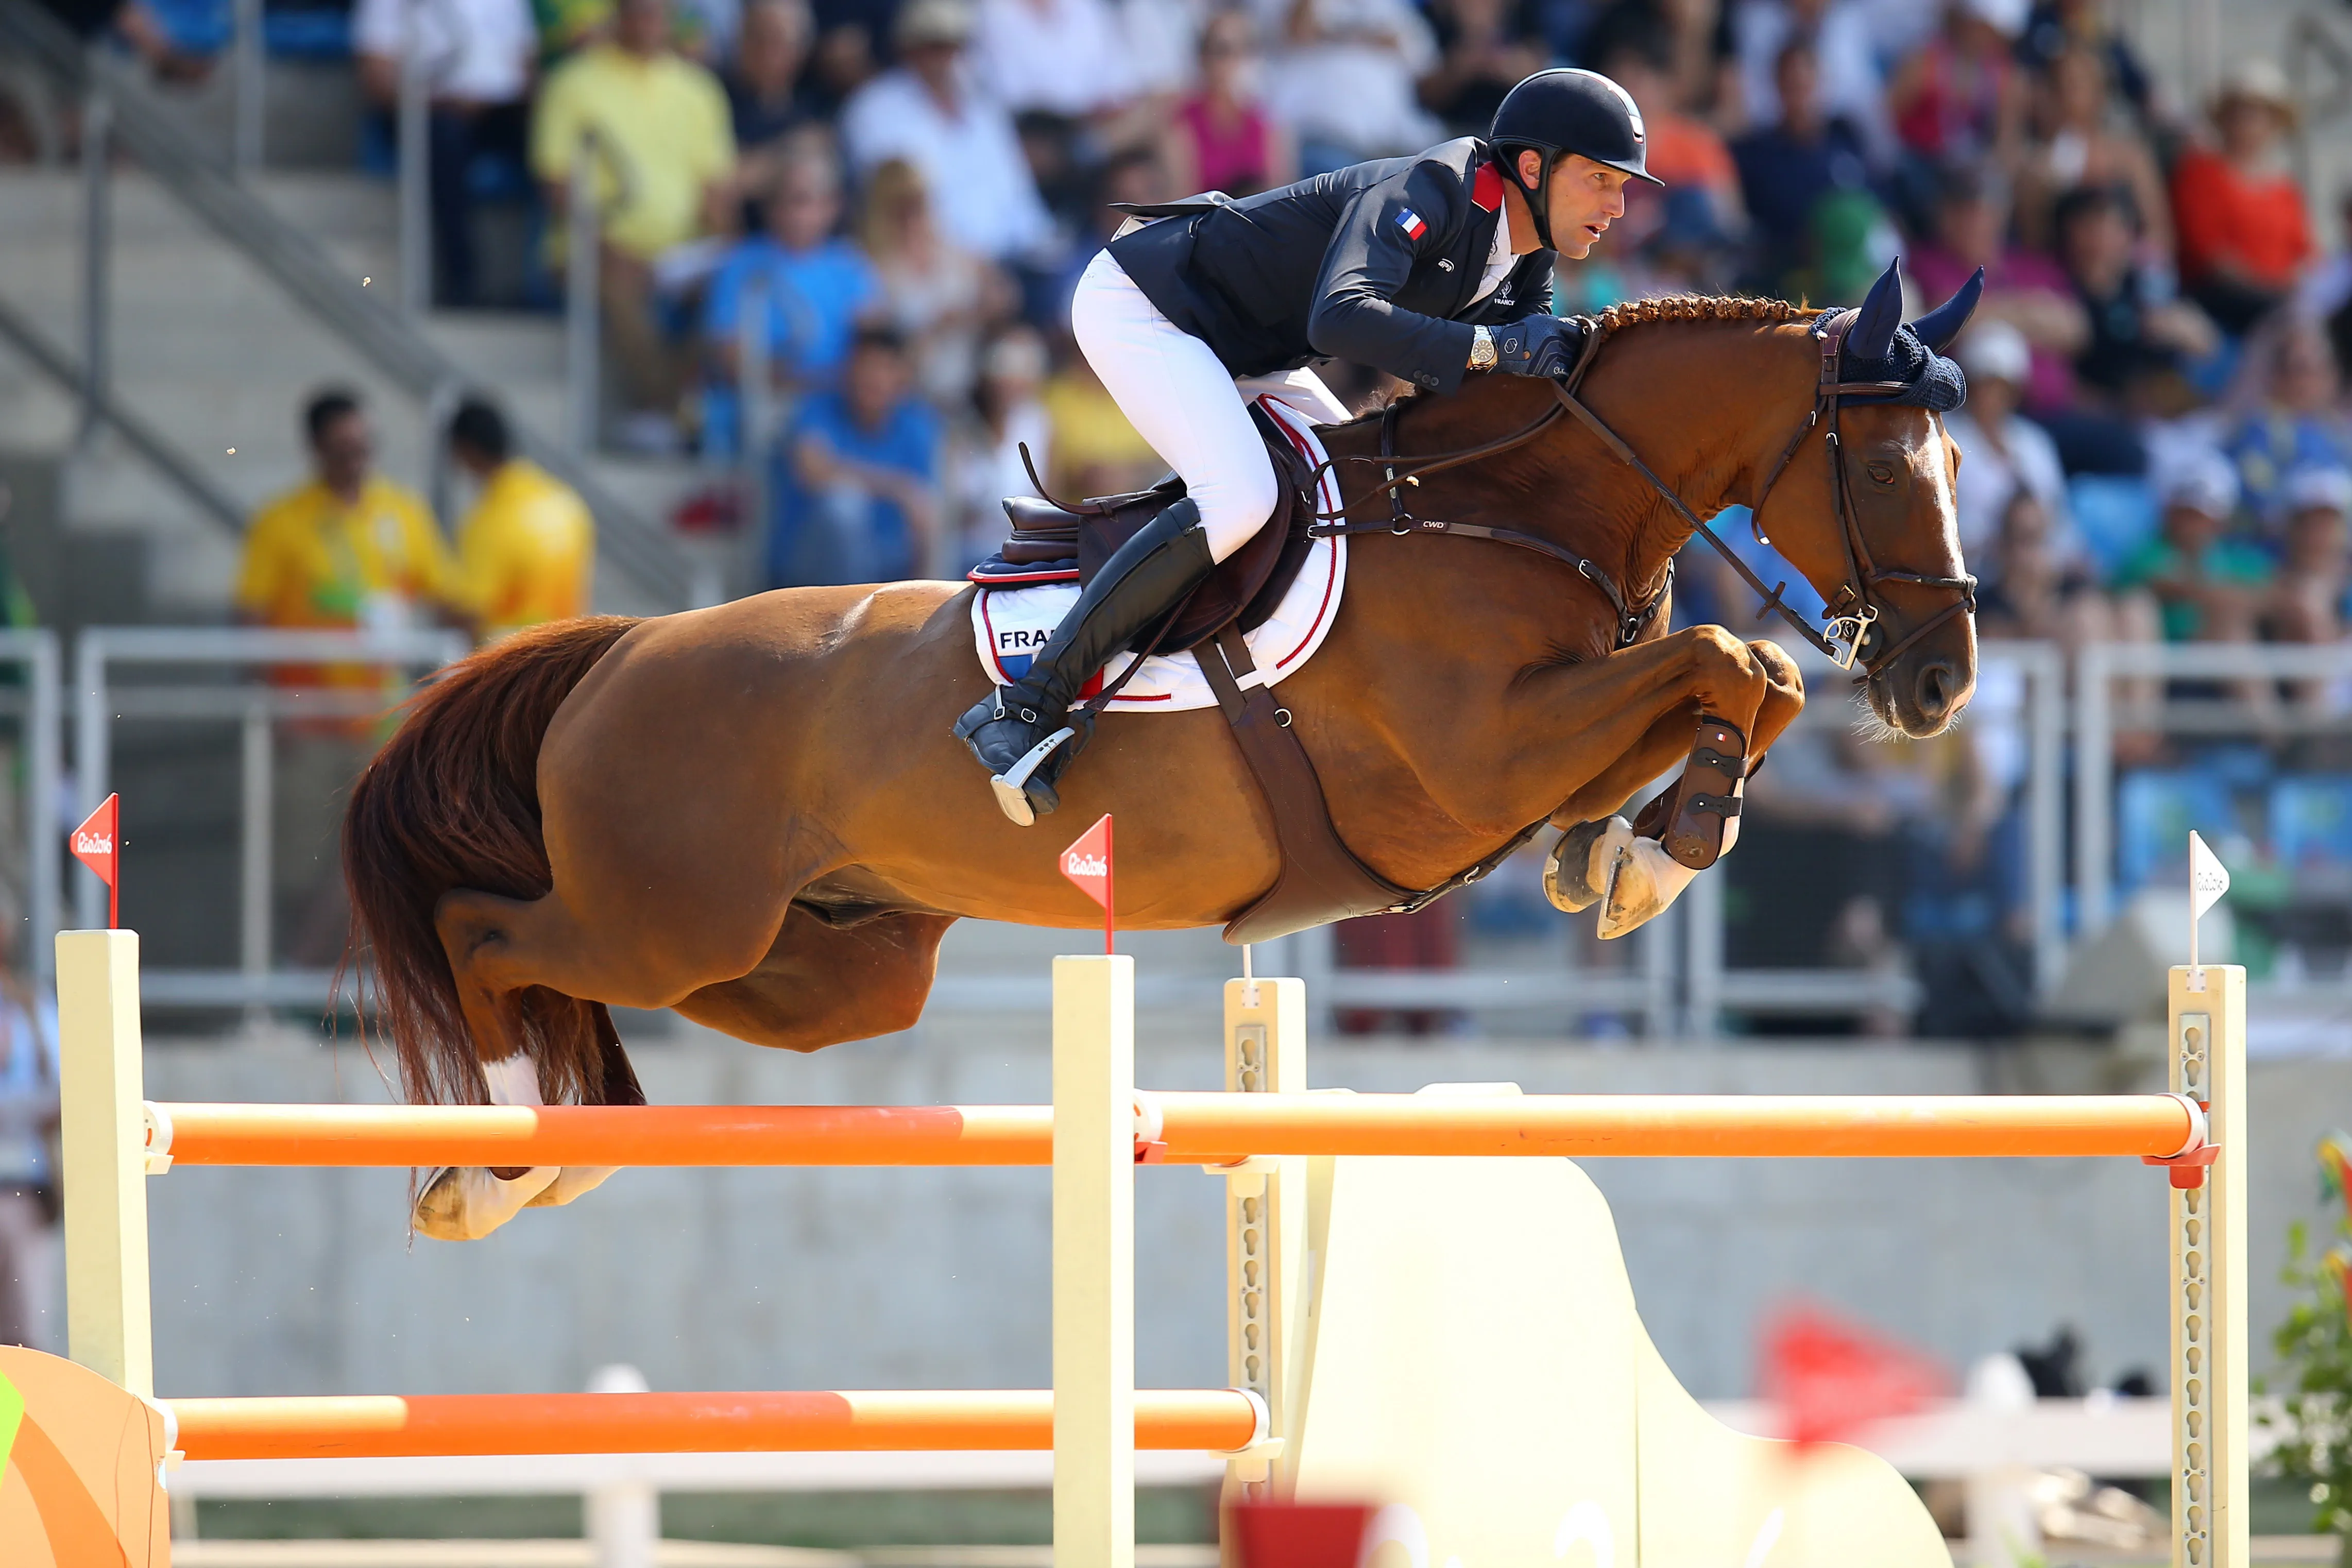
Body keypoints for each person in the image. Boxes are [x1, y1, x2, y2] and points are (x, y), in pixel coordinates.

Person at [951, 68, 1650, 823]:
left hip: (1252, 352)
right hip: (1151, 307)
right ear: (1533, 168)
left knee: (1357, 491)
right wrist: (1494, 348)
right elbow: (1341, 318)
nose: (1617, 207)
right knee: (1242, 498)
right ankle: (1025, 704)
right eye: (1601, 181)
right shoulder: (1435, 188)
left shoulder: (1527, 248)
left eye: (1621, 187)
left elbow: (1507, 375)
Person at [531, 0, 739, 439]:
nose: (649, 20)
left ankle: (676, 410)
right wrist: (610, 244)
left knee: (738, 281)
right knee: (618, 281)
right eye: (639, 10)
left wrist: (723, 248)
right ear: (618, 14)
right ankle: (675, 411)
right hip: (597, 246)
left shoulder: (699, 89)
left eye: (658, 11)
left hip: (681, 254)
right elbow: (556, 182)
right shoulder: (574, 80)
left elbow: (716, 191)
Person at [839, 0, 1056, 265]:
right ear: (907, 46)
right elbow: (895, 206)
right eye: (933, 45)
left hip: (1015, 258)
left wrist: (1046, 247)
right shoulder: (873, 110)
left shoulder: (982, 106)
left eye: (954, 44)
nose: (944, 56)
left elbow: (1017, 193)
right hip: (931, 267)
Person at [702, 151, 881, 457]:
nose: (794, 214)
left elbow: (875, 350)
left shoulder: (851, 268)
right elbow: (732, 360)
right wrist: (818, 381)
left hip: (840, 412)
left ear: (832, 206)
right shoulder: (741, 264)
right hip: (764, 412)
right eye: (784, 201)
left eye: (805, 201)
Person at [238, 390, 457, 639]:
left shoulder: (406, 511)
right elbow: (252, 611)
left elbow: (447, 599)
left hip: (387, 677)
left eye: (362, 447)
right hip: (304, 676)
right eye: (343, 449)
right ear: (317, 446)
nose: (355, 461)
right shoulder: (279, 521)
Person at [775, 323, 943, 585]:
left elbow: (923, 508)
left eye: (885, 368)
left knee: (938, 515)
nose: (874, 379)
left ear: (902, 376)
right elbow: (811, 469)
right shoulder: (819, 407)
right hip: (811, 568)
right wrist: (895, 487)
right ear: (848, 370)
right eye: (866, 367)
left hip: (885, 561)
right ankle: (851, 618)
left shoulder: (917, 424)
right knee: (844, 504)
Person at [2170, 60, 2313, 337]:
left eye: (2262, 117)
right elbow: (2209, 254)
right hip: (2221, 300)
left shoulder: (2285, 188)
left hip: (2278, 301)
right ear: (2225, 118)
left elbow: (2305, 254)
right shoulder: (2201, 172)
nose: (2252, 125)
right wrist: (2275, 291)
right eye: (2244, 114)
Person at [858, 157, 1015, 405]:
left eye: (919, 204)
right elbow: (874, 349)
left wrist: (974, 313)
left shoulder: (956, 250)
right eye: (902, 208)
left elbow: (1005, 296)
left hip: (968, 384)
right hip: (909, 396)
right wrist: (933, 330)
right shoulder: (870, 267)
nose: (913, 217)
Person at [446, 399, 596, 640]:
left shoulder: (489, 520)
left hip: (512, 666)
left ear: (465, 449)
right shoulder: (567, 503)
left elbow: (472, 613)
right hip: (568, 660)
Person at [1731, 38, 1872, 295]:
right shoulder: (1757, 154)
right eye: (1791, 86)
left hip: (1857, 268)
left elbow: (1873, 200)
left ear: (1821, 83)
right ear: (1777, 87)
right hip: (1793, 278)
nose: (1800, 96)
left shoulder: (1846, 136)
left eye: (1806, 85)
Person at [1942, 323, 2070, 573]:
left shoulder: (2033, 440)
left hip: (2039, 570)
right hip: (1974, 572)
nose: (1994, 396)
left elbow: (2058, 515)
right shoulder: (1944, 438)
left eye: (2003, 387)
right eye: (1987, 384)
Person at [1162, 10, 1298, 199]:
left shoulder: (1267, 124)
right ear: (1203, 57)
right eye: (1222, 50)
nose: (1233, 61)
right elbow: (1181, 198)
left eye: (1244, 49)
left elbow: (1282, 197)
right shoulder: (1182, 122)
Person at [0, 939, 57, 1350]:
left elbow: (62, 1092)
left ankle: (15, 1418)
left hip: (19, 1185)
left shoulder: (29, 1008)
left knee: (22, 1336)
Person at [724, 0, 822, 190]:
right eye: (757, 38)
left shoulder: (816, 105)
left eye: (778, 41)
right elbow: (728, 182)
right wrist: (790, 150)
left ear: (801, 51)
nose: (765, 52)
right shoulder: (715, 98)